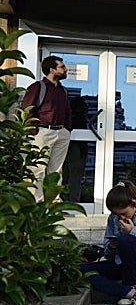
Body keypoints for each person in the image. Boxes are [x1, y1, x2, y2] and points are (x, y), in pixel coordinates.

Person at [20, 55, 72, 201]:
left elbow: (67, 111)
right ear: (52, 70)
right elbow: (27, 109)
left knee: (56, 170)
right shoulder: (38, 87)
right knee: (37, 168)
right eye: (62, 67)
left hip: (61, 132)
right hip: (43, 131)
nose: (66, 69)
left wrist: (67, 129)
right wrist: (34, 131)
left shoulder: (63, 90)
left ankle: (54, 202)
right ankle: (36, 202)